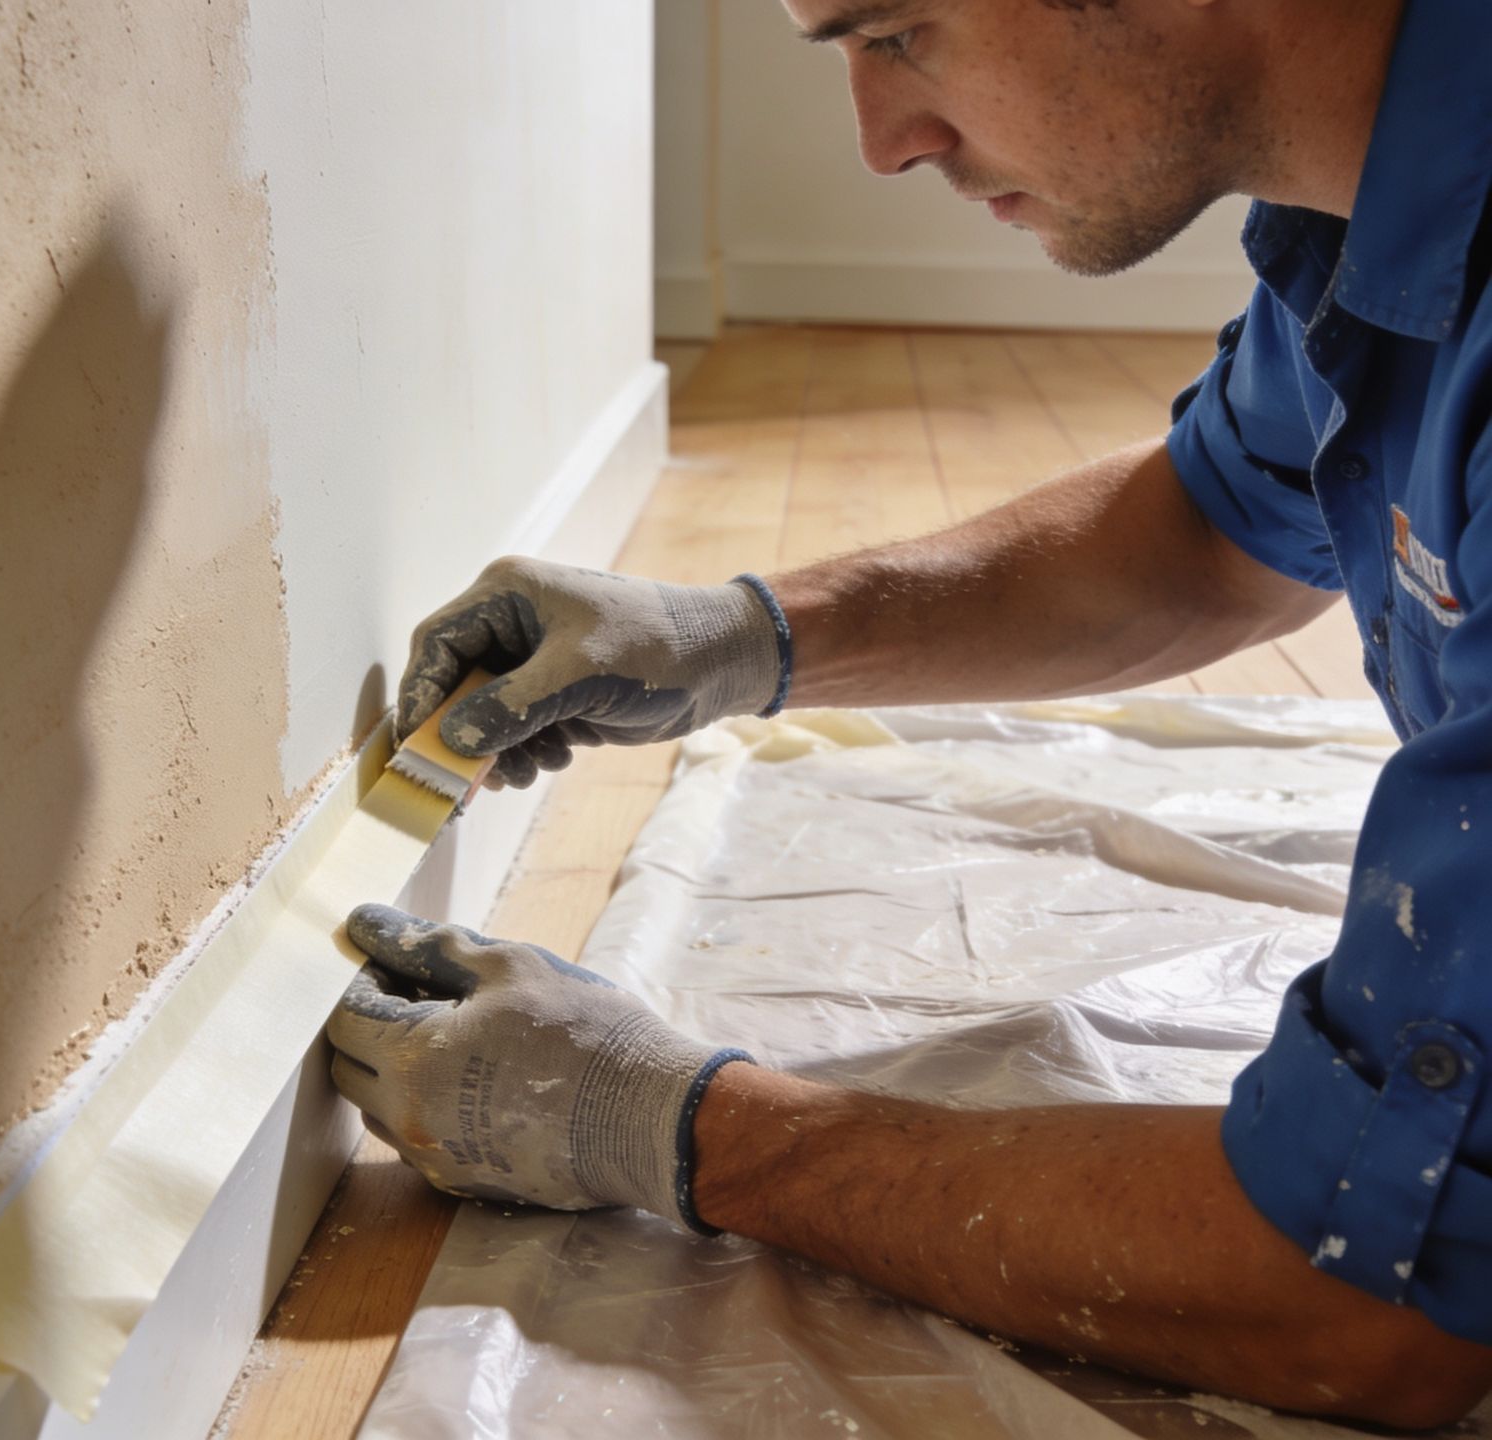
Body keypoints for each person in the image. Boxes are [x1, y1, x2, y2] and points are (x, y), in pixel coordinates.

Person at [324, 0, 1492, 1424]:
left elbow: (1372, 1299)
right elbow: (1208, 529)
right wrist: (741, 637)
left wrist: (683, 1129)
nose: (885, 144)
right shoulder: (1377, 204)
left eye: (899, 32)